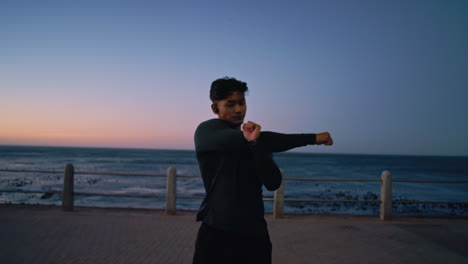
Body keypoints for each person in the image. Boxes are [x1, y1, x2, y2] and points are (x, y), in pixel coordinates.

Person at [192, 77, 333, 264]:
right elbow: (259, 140)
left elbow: (273, 182)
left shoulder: (255, 142)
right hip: (217, 232)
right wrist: (312, 138)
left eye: (242, 103)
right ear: (215, 108)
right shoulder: (207, 131)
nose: (238, 109)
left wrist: (256, 145)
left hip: (254, 234)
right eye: (230, 104)